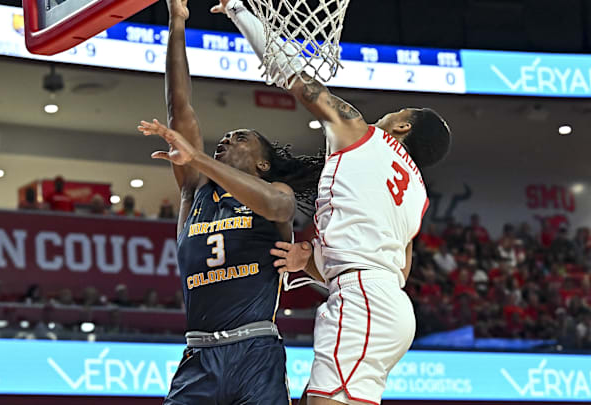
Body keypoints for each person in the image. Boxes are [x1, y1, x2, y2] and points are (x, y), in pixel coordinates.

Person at [213, 2, 451, 404]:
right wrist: (310, 259)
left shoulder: (361, 133)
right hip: (387, 306)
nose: (386, 114)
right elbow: (396, 267)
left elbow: (295, 78)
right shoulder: (416, 193)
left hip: (363, 302)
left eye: (395, 111)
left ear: (404, 126)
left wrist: (240, 12)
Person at [137, 1, 322, 403]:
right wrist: (177, 21)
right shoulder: (195, 191)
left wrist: (197, 157)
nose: (226, 140)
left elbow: (277, 206)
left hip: (255, 352)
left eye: (240, 138)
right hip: (199, 356)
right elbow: (179, 107)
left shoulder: (276, 195)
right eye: (226, 137)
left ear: (262, 162)